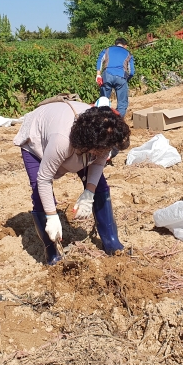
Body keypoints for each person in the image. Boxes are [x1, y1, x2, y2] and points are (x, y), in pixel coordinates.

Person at [13, 102, 131, 266]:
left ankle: (111, 242)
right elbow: (44, 179)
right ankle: (52, 252)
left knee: (100, 187)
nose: (104, 154)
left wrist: (89, 192)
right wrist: (52, 216)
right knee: (40, 195)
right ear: (88, 144)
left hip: (80, 142)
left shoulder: (104, 134)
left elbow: (97, 164)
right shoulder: (62, 140)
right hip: (38, 137)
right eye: (101, 151)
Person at [96, 38, 135, 116]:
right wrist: (126, 80)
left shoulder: (107, 50)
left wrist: (98, 74)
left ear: (116, 44)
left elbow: (100, 60)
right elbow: (131, 72)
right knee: (122, 103)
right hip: (121, 77)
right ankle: (118, 122)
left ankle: (102, 120)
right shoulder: (128, 54)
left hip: (107, 75)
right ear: (125, 46)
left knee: (103, 101)